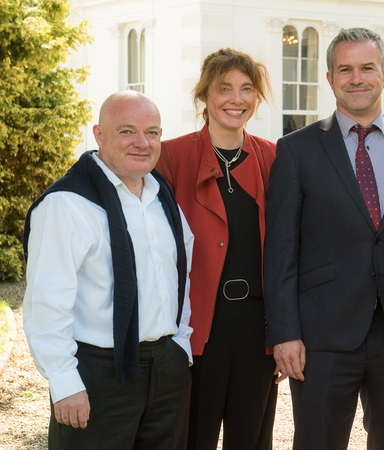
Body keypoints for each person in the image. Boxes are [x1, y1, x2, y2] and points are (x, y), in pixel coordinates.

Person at [264, 27, 384, 450]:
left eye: (367, 68)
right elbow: (280, 251)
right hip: (320, 337)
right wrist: (284, 332)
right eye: (344, 69)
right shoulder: (296, 151)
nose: (356, 78)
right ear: (329, 79)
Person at [22, 90, 194, 449]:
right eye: (127, 131)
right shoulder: (67, 204)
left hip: (165, 370)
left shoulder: (161, 195)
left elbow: (181, 275)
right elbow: (46, 303)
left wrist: (181, 344)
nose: (142, 143)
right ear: (99, 134)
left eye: (153, 132)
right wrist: (65, 382)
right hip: (98, 373)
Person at [155, 48, 278, 450]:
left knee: (252, 437)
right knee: (192, 436)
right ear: (205, 95)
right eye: (224, 88)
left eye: (246, 89)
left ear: (256, 99)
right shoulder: (172, 156)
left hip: (257, 327)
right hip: (197, 326)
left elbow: (289, 248)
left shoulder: (273, 157)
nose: (236, 99)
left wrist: (285, 331)